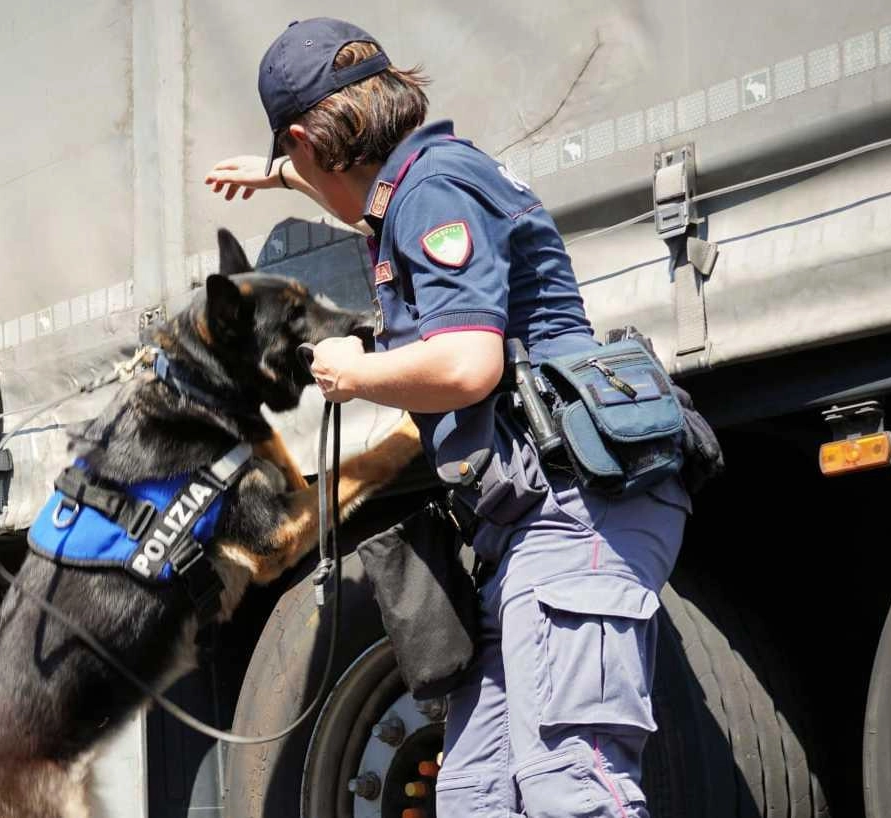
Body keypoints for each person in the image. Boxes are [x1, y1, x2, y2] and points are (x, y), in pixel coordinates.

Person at [206, 18, 692, 818]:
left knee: (575, 789)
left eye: (293, 156)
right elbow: (371, 212)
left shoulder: (431, 189)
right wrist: (286, 183)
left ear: (304, 136)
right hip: (528, 526)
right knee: (474, 796)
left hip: (573, 514)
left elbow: (470, 366)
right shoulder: (421, 181)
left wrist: (356, 373)